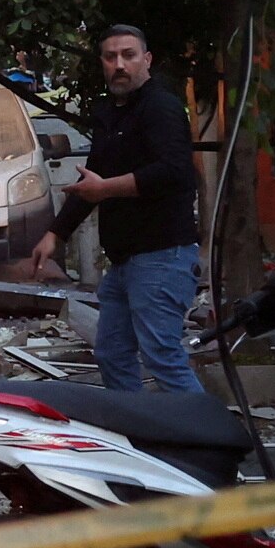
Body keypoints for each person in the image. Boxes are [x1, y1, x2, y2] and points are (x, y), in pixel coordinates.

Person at [68, 25, 204, 394]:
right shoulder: (112, 113)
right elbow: (91, 179)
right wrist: (53, 235)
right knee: (112, 353)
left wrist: (106, 189)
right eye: (111, 57)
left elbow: (174, 172)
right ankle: (137, 437)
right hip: (127, 261)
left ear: (147, 59)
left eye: (128, 55)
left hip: (162, 256)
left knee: (162, 355)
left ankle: (209, 442)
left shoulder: (160, 106)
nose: (119, 64)